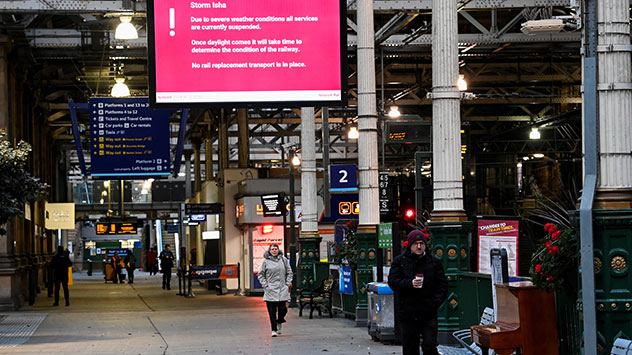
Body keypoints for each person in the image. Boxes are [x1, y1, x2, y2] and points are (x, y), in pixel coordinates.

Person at [388, 230, 448, 355]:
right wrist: (409, 283)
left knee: (429, 344)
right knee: (410, 347)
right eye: (416, 244)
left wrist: (434, 303)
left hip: (428, 312)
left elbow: (442, 286)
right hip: (408, 312)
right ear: (410, 245)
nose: (419, 246)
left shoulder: (434, 262)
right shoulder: (400, 261)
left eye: (421, 243)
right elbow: (393, 282)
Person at [257, 244, 293, 337]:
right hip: (270, 289)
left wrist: (287, 284)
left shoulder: (283, 260)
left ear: (278, 250)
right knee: (272, 311)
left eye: (275, 249)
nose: (274, 251)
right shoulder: (266, 262)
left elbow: (289, 272)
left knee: (283, 309)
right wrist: (265, 285)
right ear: (269, 251)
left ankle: (280, 321)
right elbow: (260, 274)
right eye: (272, 249)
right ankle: (274, 329)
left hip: (282, 289)